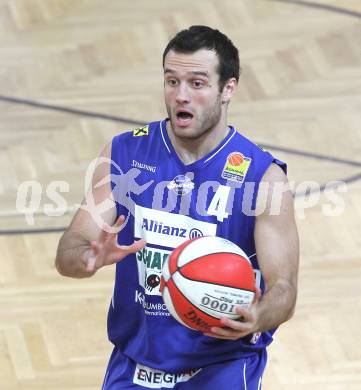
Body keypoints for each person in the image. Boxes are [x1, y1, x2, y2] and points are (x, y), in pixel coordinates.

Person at [55, 25, 299, 390]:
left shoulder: (262, 177)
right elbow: (70, 249)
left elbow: (284, 288)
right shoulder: (125, 154)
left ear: (227, 88)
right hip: (135, 364)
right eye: (172, 81)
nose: (181, 95)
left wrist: (258, 316)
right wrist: (85, 258)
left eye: (197, 83)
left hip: (222, 367)